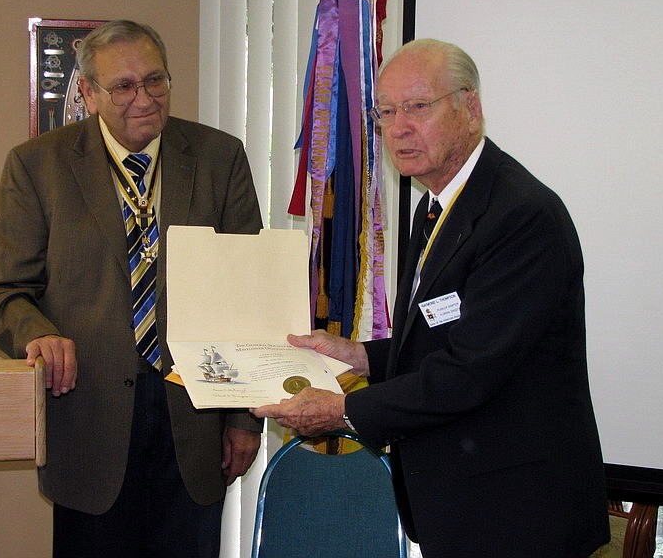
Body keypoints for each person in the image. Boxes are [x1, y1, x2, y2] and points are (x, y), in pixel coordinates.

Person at [253, 39, 610, 557]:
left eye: (418, 107)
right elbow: (444, 336)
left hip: (518, 513)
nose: (399, 128)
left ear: (471, 108)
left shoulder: (521, 216)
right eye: (387, 112)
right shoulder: (436, 206)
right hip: (461, 504)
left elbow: (469, 372)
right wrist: (360, 355)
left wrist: (341, 410)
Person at [0, 20, 263, 558]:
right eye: (124, 87)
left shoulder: (218, 158)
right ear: (87, 93)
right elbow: (2, 294)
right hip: (88, 419)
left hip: (195, 418)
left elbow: (247, 297)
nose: (144, 99)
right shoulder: (38, 166)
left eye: (156, 81)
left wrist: (244, 418)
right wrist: (38, 334)